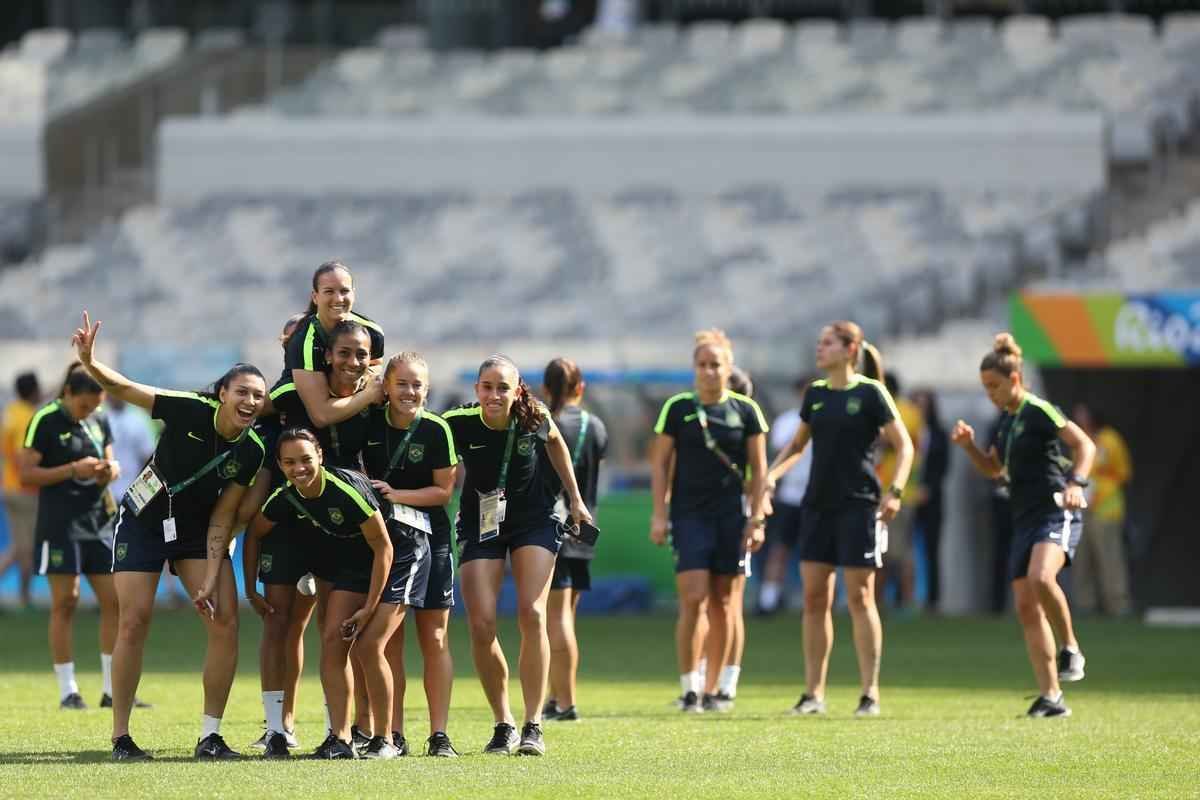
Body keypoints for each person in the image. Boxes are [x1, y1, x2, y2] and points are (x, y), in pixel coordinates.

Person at [71, 312, 268, 761]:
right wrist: (90, 362)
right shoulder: (189, 408)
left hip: (198, 531)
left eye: (258, 396)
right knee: (134, 620)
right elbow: (125, 390)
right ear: (222, 394)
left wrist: (210, 575)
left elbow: (224, 517)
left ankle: (210, 737)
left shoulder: (252, 450)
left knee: (226, 621)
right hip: (143, 519)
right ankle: (121, 737)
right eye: (242, 392)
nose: (251, 402)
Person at [444, 354, 594, 757]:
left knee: (533, 613)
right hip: (481, 522)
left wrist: (576, 502)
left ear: (517, 391)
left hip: (536, 519)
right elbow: (438, 467)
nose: (495, 395)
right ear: (476, 390)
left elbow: (557, 445)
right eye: (487, 387)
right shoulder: (455, 422)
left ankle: (533, 724)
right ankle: (503, 722)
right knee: (481, 623)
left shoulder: (534, 415)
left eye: (503, 387)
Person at [245, 319, 379, 757]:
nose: (292, 347)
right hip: (289, 520)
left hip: (343, 520)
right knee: (282, 623)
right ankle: (277, 727)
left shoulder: (372, 394)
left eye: (297, 340)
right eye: (286, 341)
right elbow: (239, 411)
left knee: (334, 629)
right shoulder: (286, 395)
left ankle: (339, 729)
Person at [767, 321, 913, 717]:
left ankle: (870, 693)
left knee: (861, 598)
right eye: (819, 343)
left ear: (851, 350)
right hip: (817, 506)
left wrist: (895, 491)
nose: (820, 349)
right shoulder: (815, 394)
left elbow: (904, 447)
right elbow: (797, 446)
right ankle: (813, 693)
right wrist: (770, 477)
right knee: (815, 600)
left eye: (827, 343)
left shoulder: (871, 393)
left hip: (858, 506)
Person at [246, 429, 417, 760]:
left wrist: (369, 607)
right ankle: (340, 739)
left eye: (306, 459)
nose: (299, 468)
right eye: (290, 462)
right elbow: (255, 532)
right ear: (280, 466)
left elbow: (384, 546)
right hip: (354, 562)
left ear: (320, 457)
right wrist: (251, 588)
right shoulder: (283, 498)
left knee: (369, 646)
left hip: (400, 553)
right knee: (332, 639)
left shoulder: (344, 491)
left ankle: (385, 739)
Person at [952, 333, 1095, 718]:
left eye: (994, 386)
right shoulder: (1006, 423)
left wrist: (1076, 484)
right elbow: (995, 470)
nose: (990, 394)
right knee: (1028, 609)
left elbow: (1085, 446)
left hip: (1055, 510)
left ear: (1015, 380)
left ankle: (1071, 648)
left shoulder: (1038, 409)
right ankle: (1051, 697)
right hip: (1024, 518)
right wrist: (968, 447)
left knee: (1041, 578)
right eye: (985, 388)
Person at [648, 330, 768, 714]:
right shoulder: (677, 408)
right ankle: (689, 687)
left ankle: (719, 687)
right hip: (689, 515)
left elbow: (759, 469)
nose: (708, 371)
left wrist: (758, 517)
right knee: (694, 598)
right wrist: (660, 513)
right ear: (693, 369)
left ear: (728, 368)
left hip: (731, 515)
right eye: (701, 365)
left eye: (715, 365)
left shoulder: (746, 411)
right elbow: (660, 464)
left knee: (725, 601)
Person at [363, 352, 460, 757]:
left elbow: (443, 492)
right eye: (402, 383)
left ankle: (439, 735)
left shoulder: (437, 429)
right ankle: (394, 732)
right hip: (386, 542)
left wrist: (396, 494)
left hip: (431, 540)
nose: (410, 391)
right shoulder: (367, 423)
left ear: (427, 389)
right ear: (386, 386)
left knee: (434, 637)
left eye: (418, 384)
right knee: (390, 642)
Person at [20, 367, 120, 709]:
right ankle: (69, 690)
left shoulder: (100, 419)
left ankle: (112, 689)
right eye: (84, 407)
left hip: (99, 520)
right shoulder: (44, 419)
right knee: (66, 601)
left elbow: (109, 461)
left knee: (116, 601)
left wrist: (110, 471)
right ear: (67, 394)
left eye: (94, 407)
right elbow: (26, 472)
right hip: (60, 523)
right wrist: (71, 470)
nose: (89, 412)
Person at [539, 357, 608, 723]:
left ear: (546, 390)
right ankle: (556, 696)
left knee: (555, 618)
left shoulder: (546, 424)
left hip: (554, 526)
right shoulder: (596, 426)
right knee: (567, 616)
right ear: (580, 387)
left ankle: (565, 702)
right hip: (584, 527)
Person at [758, 376, 814, 616]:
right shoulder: (788, 422)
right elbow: (785, 452)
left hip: (816, 497)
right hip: (790, 496)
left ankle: (812, 601)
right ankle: (768, 600)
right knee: (779, 549)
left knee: (813, 554)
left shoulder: (828, 419)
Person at [1070, 403, 1133, 616]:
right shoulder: (1077, 440)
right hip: (1081, 507)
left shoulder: (1110, 439)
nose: (1080, 417)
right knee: (1081, 559)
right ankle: (1085, 604)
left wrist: (1102, 491)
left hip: (1106, 509)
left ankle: (1118, 604)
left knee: (1110, 558)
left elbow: (1123, 473)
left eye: (1083, 413)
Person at [875, 372, 924, 613]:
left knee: (897, 551)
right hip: (891, 490)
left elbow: (890, 443)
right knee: (888, 550)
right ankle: (885, 601)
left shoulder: (901, 412)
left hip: (895, 491)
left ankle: (904, 601)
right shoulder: (910, 411)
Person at [0, 371, 41, 608]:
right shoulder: (27, 418)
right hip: (26, 489)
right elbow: (21, 456)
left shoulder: (11, 412)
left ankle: (25, 597)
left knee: (20, 546)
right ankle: (25, 599)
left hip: (10, 487)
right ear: (33, 391)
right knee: (27, 548)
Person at [910, 388, 949, 613]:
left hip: (931, 499)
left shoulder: (938, 433)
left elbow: (942, 467)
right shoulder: (903, 430)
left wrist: (928, 489)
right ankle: (902, 597)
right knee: (902, 551)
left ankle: (932, 599)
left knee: (931, 549)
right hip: (905, 497)